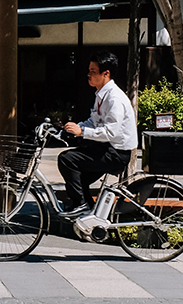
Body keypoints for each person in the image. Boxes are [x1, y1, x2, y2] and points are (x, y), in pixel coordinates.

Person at [57, 50, 138, 218]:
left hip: (116, 152)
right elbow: (94, 122)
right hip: (107, 148)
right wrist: (74, 128)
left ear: (105, 74)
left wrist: (82, 132)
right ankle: (91, 218)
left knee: (67, 160)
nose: (88, 75)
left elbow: (110, 132)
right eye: (89, 71)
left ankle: (82, 205)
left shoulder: (114, 98)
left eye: (93, 72)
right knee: (79, 180)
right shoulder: (101, 95)